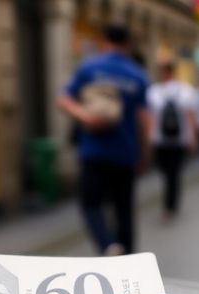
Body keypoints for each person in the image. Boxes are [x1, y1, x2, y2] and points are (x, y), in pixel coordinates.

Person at [58, 26, 150, 256]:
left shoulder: (89, 67)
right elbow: (145, 120)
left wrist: (86, 116)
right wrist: (143, 155)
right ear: (127, 44)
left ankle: (107, 245)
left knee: (91, 204)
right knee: (124, 210)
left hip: (94, 151)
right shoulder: (137, 74)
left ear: (104, 41)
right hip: (126, 152)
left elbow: (63, 99)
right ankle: (128, 260)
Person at [147, 62, 198, 219]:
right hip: (179, 139)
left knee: (169, 173)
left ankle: (169, 206)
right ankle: (171, 205)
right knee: (173, 174)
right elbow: (191, 116)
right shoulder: (186, 90)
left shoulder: (153, 91)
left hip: (160, 139)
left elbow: (149, 116)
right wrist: (193, 137)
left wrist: (148, 137)